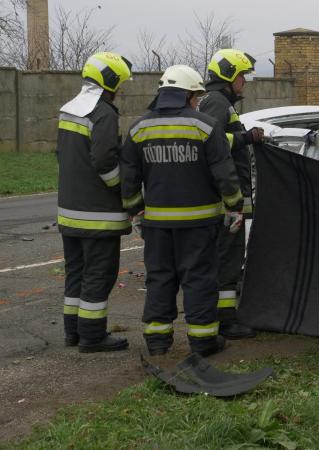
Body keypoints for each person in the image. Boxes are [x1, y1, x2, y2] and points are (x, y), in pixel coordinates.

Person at [120, 65, 244, 356]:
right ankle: (203, 342)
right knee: (199, 279)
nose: (197, 101)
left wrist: (135, 210)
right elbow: (224, 174)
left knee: (160, 278)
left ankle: (158, 342)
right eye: (196, 96)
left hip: (157, 225)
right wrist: (235, 205)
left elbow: (128, 178)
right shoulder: (204, 126)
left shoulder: (138, 128)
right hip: (200, 224)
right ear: (189, 95)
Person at [56, 52, 133, 353]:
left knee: (76, 272)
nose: (120, 90)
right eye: (119, 83)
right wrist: (123, 191)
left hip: (69, 213)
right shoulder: (103, 113)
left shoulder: (68, 110)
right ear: (109, 80)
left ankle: (72, 331)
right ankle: (92, 335)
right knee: (99, 275)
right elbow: (105, 162)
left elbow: (63, 156)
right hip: (98, 216)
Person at [197, 49, 263, 340]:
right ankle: (225, 321)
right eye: (241, 76)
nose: (244, 82)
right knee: (228, 259)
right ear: (228, 76)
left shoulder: (220, 102)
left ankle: (224, 317)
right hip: (226, 202)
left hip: (229, 199)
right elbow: (207, 139)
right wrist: (245, 138)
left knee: (229, 257)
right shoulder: (216, 103)